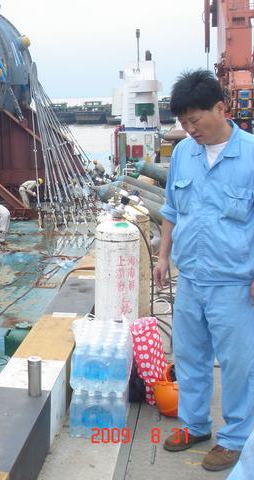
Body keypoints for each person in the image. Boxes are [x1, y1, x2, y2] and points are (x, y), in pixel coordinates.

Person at [153, 69, 254, 472]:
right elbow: (171, 210)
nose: (190, 129)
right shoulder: (183, 154)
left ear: (220, 108)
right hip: (191, 277)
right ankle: (195, 425)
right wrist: (163, 257)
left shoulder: (250, 155)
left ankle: (235, 438)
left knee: (238, 364)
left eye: (195, 120)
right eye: (183, 122)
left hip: (234, 282)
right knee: (189, 356)